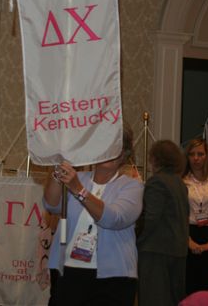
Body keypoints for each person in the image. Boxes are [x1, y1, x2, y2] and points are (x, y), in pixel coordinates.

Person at [43, 126, 143, 306]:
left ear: (124, 156)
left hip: (113, 278)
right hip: (69, 271)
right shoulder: (78, 177)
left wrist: (78, 190)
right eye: (106, 145)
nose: (111, 152)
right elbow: (51, 204)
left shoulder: (132, 187)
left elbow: (113, 218)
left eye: (117, 147)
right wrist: (57, 170)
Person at [137, 140, 189, 306]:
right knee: (174, 300)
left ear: (155, 159)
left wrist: (136, 241)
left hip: (156, 252)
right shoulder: (180, 183)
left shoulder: (157, 182)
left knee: (154, 299)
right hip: (178, 251)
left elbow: (150, 219)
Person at [182, 138, 208, 295]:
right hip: (187, 236)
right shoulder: (181, 182)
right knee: (189, 286)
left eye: (200, 154)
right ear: (187, 157)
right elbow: (178, 215)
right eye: (192, 154)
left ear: (207, 156)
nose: (196, 158)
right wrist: (189, 242)